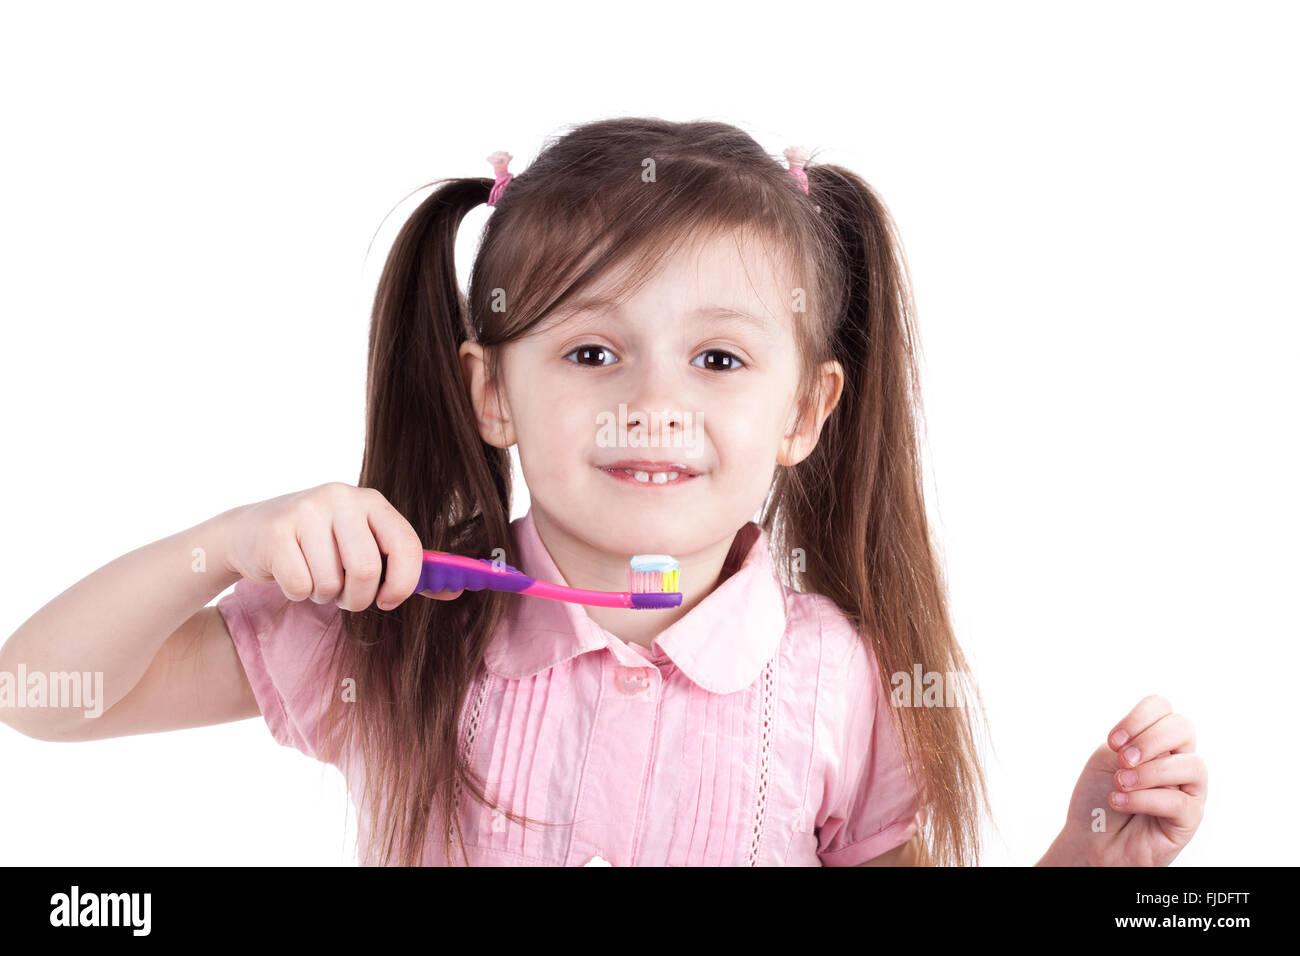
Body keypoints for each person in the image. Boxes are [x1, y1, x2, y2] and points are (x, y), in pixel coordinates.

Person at [0, 118, 1207, 866]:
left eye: (719, 358)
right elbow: (36, 695)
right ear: (491, 395)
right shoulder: (397, 632)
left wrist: (1084, 860)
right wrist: (225, 540)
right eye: (589, 352)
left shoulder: (845, 679)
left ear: (803, 413)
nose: (651, 403)